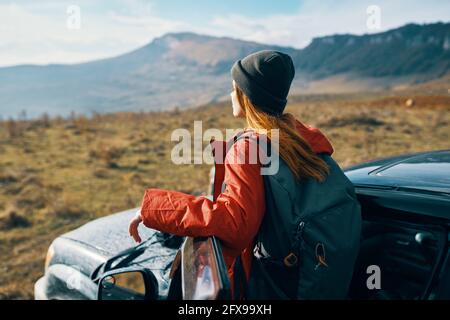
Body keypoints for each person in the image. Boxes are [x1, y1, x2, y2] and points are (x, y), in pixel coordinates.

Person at [128, 50, 357, 299]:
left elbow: (235, 224)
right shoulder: (302, 140)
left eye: (233, 87)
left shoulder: (248, 148)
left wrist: (155, 209)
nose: (229, 94)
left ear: (245, 94)